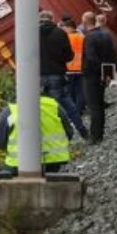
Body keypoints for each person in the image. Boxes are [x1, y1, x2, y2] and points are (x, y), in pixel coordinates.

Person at [0, 94, 74, 175]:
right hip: (54, 161)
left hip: (17, 164)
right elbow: (69, 132)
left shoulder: (10, 111)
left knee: (3, 174)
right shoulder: (54, 106)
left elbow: (1, 142)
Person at [39, 9, 88, 139]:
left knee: (50, 109)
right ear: (52, 19)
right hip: (58, 74)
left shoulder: (32, 35)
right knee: (68, 104)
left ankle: (61, 137)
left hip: (40, 78)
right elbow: (68, 56)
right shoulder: (60, 33)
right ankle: (82, 130)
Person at [82, 13, 117, 144]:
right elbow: (112, 54)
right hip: (104, 73)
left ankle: (94, 136)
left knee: (94, 106)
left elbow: (91, 58)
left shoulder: (89, 38)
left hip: (92, 75)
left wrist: (97, 71)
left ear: (85, 22)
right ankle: (100, 133)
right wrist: (109, 74)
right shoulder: (106, 34)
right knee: (100, 105)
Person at [61, 15, 86, 123]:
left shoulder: (67, 38)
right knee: (80, 91)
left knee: (71, 92)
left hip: (70, 68)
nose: (63, 30)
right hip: (81, 67)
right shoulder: (81, 36)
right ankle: (79, 110)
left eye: (64, 28)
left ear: (69, 27)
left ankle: (75, 112)